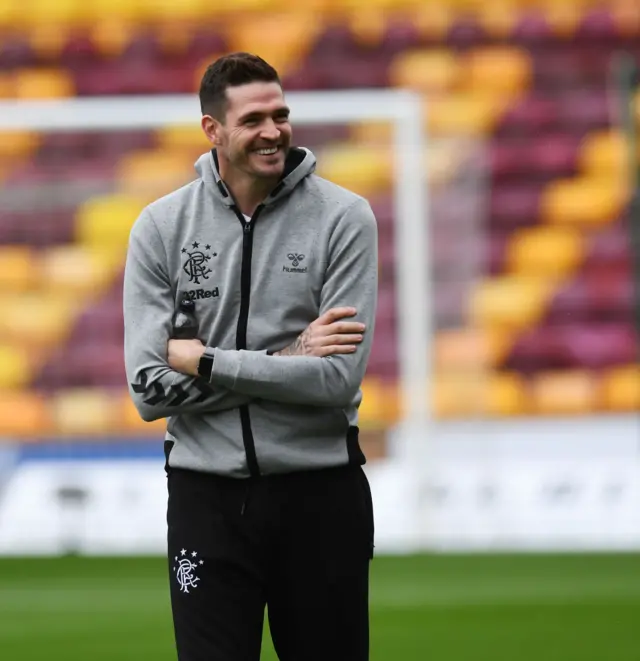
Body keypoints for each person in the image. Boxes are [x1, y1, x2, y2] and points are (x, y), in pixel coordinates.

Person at [123, 52, 378, 661]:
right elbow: (148, 392)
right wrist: (290, 356)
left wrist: (208, 362)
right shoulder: (160, 228)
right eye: (254, 119)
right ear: (213, 130)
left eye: (281, 114)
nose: (273, 131)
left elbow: (336, 380)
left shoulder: (344, 218)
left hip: (320, 495)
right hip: (204, 500)